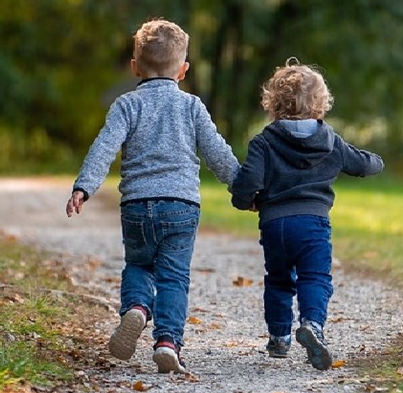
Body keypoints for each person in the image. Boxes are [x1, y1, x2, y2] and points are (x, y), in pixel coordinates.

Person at [66, 18, 240, 374]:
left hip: (136, 206)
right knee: (173, 276)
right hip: (181, 206)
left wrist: (84, 186)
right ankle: (167, 342)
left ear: (134, 68)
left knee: (139, 264)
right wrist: (243, 188)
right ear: (183, 70)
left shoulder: (126, 105)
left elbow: (103, 148)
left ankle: (137, 308)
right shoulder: (192, 107)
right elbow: (217, 153)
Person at [230, 58, 384, 370]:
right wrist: (377, 161)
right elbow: (362, 164)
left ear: (272, 104)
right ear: (321, 104)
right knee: (314, 277)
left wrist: (245, 201)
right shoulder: (331, 142)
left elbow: (248, 182)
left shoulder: (264, 142)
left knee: (278, 279)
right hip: (313, 225)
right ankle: (312, 325)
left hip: (274, 225)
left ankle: (279, 337)